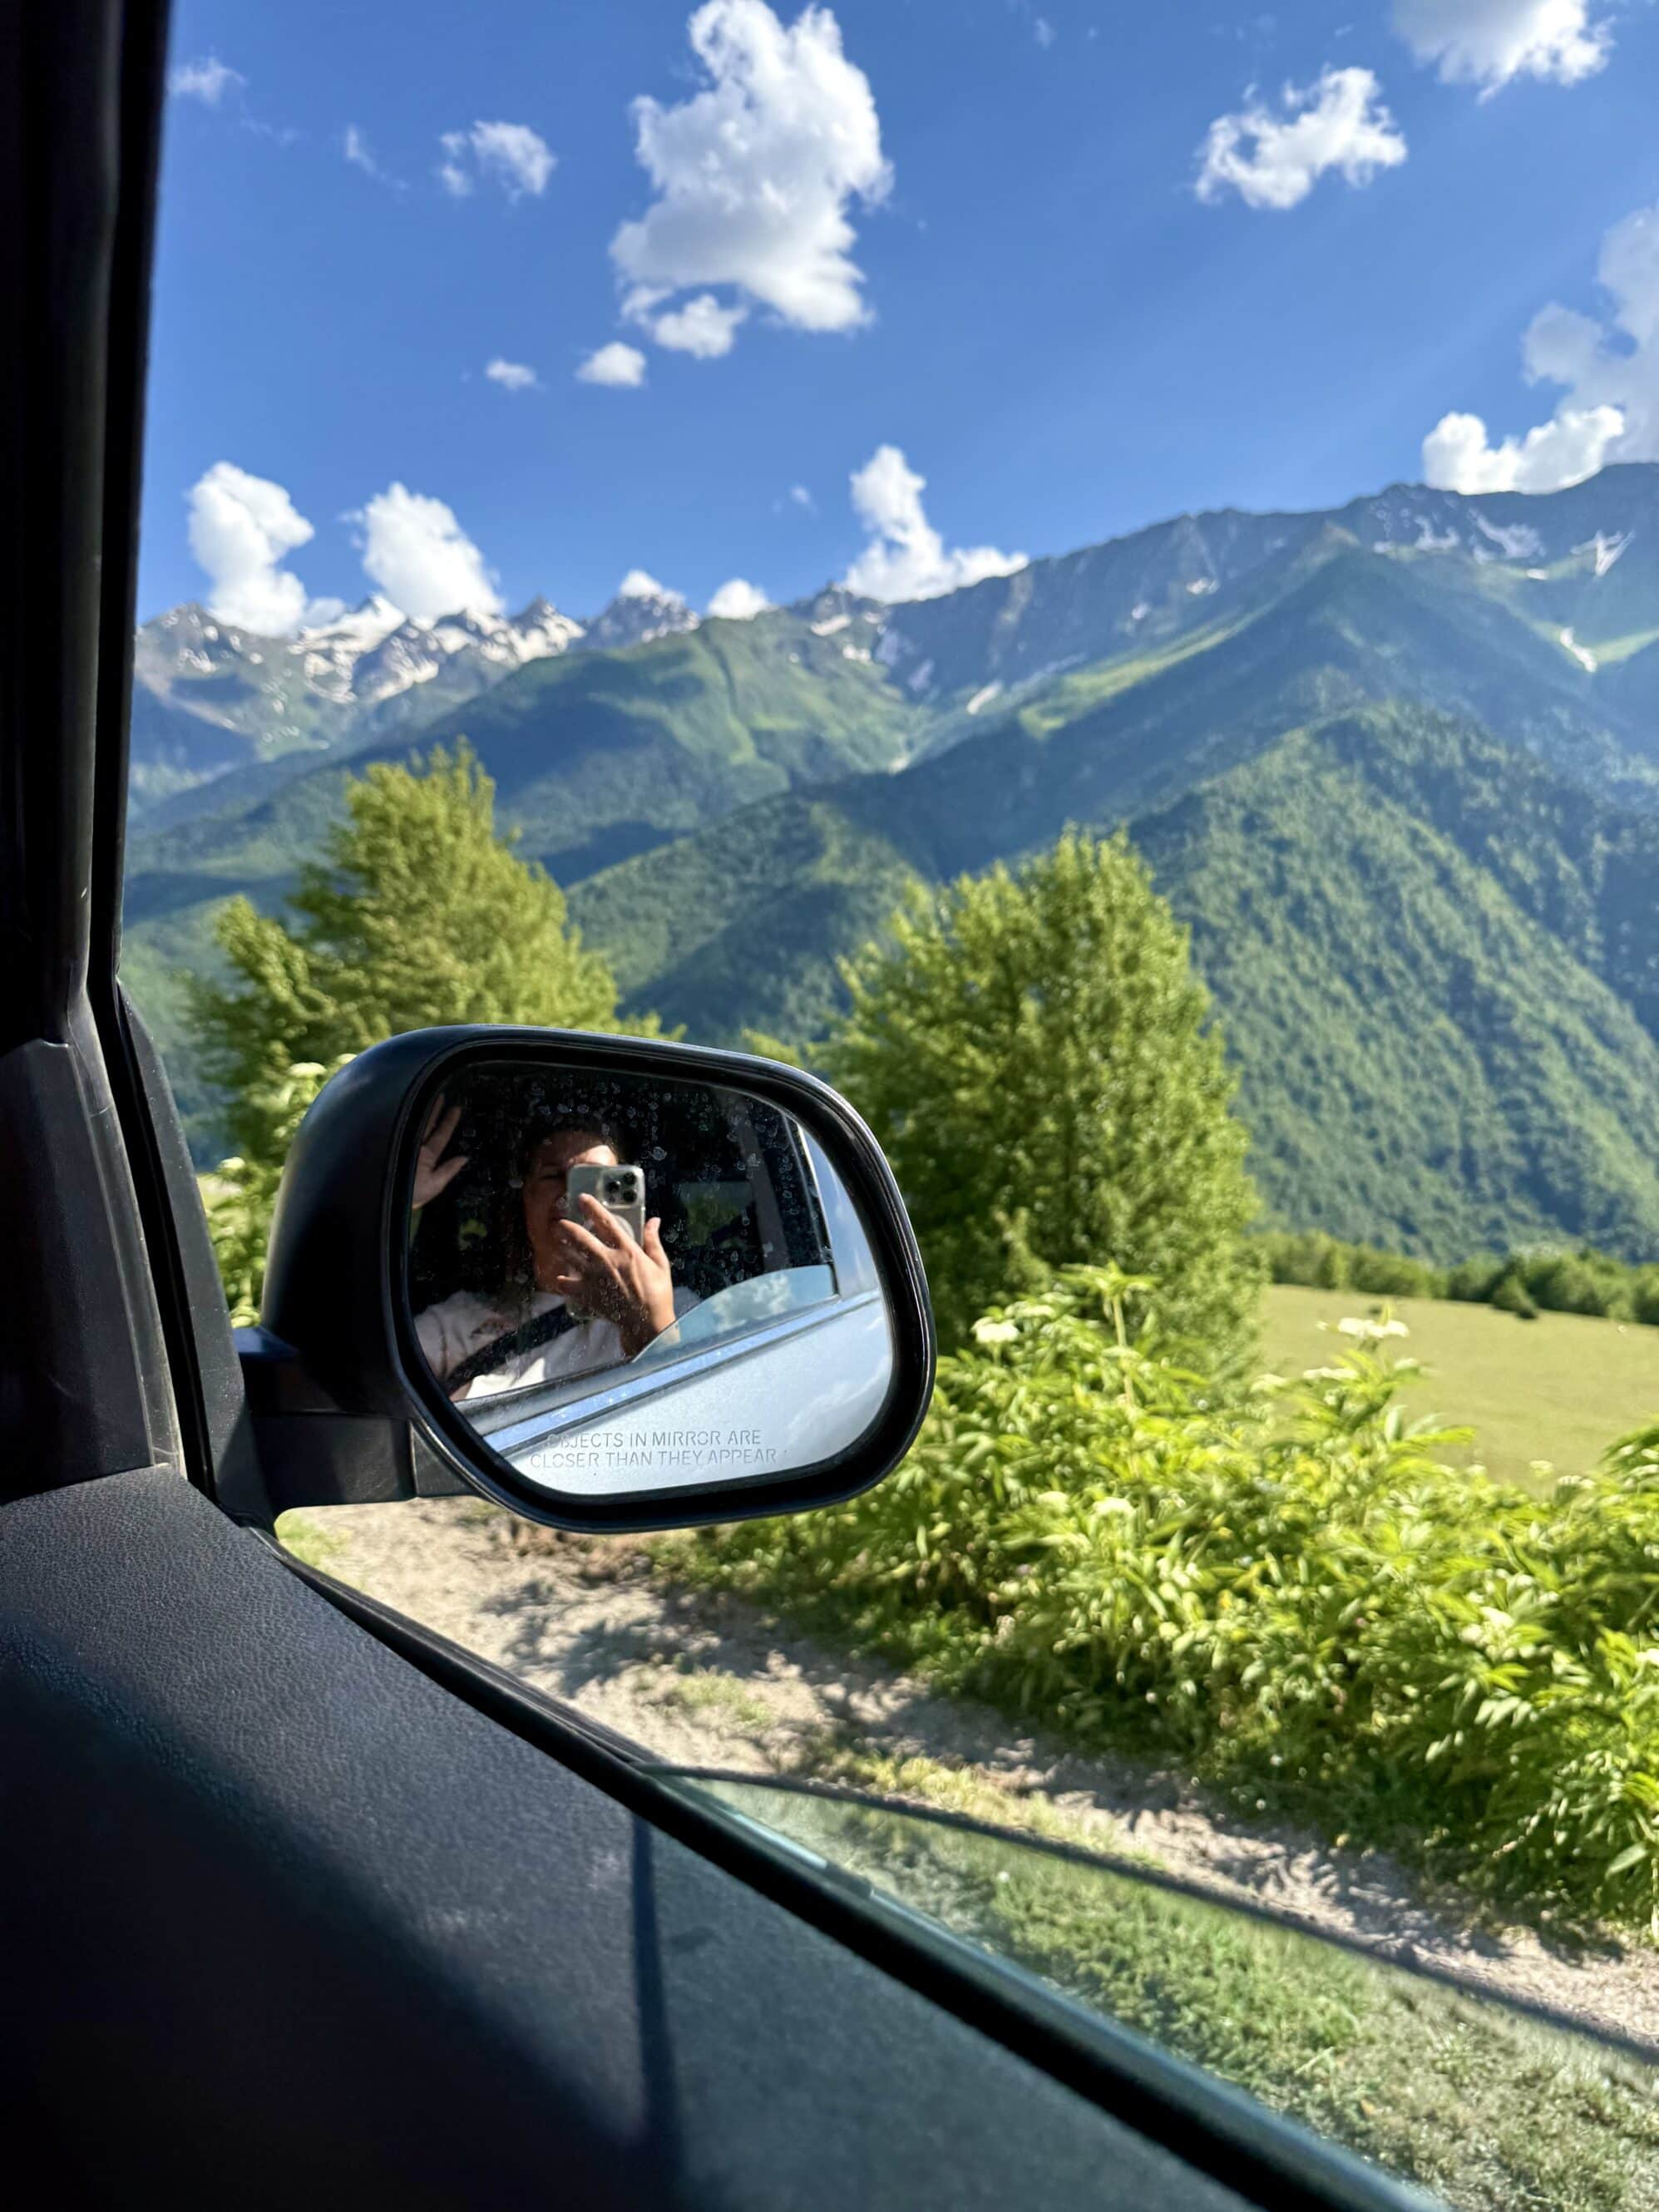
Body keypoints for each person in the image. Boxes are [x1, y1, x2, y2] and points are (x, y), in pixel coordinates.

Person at [412, 1097, 696, 1402]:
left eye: (595, 1178)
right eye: (552, 1176)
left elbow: (703, 1424)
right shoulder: (457, 1322)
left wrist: (649, 1326)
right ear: (524, 1200)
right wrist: (399, 1202)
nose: (572, 1194)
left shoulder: (680, 1312)